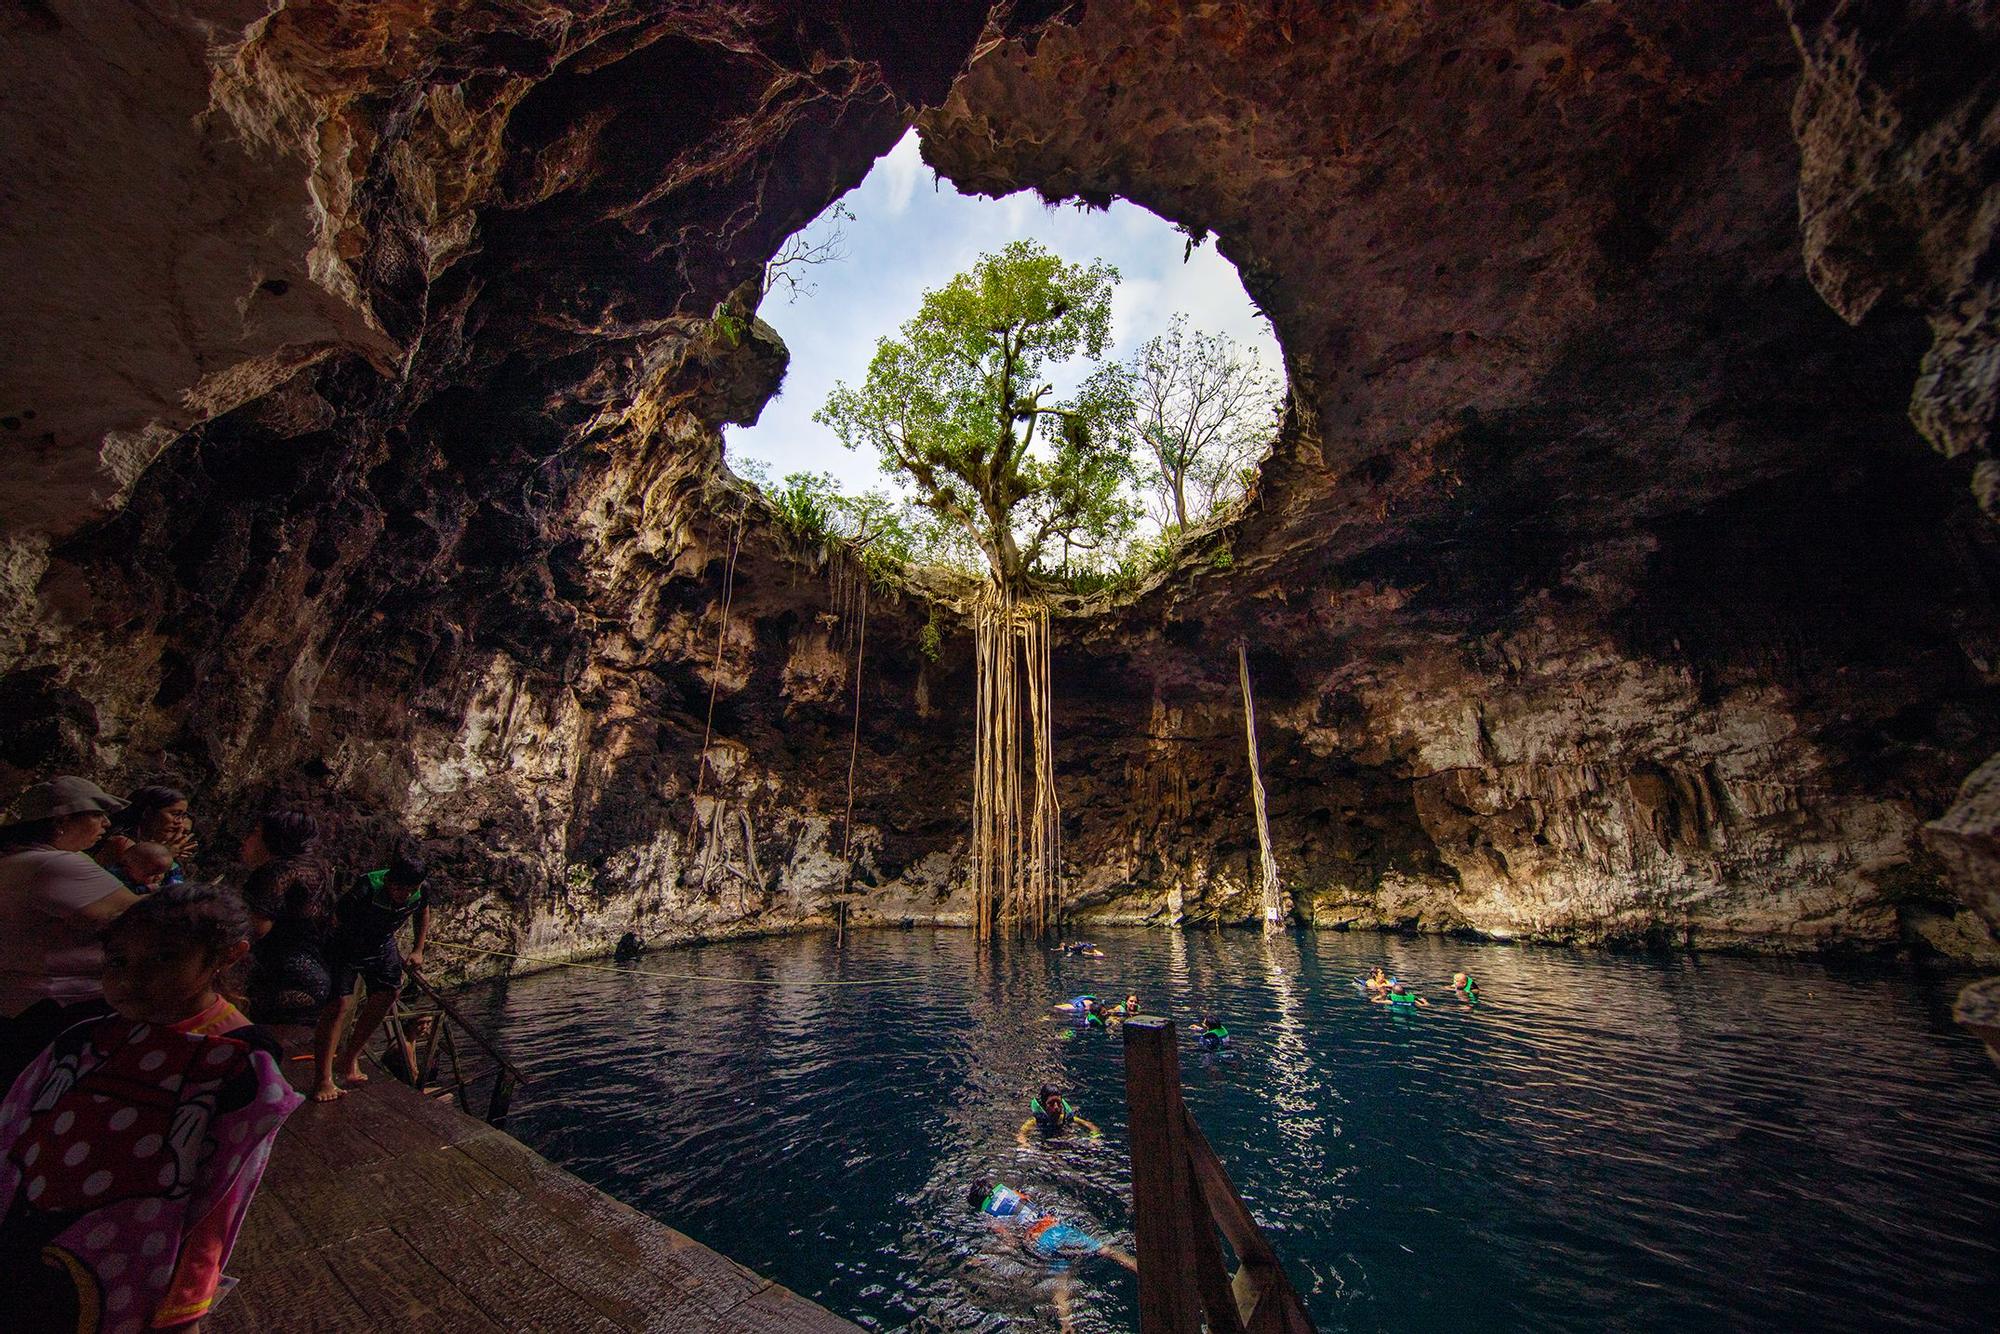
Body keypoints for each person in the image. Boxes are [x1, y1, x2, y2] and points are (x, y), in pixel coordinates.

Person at [0, 883, 301, 1334]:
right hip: (27, 1227)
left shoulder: (235, 1064)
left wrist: (188, 1301)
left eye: (164, 959)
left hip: (134, 1257)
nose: (132, 979)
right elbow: (14, 1129)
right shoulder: (81, 1040)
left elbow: (221, 1198)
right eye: (118, 961)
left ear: (228, 955)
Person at [0, 778, 139, 1089]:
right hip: (53, 1010)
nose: (106, 823)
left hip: (16, 1004)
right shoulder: (57, 864)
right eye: (97, 813)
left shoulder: (12, 859)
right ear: (62, 820)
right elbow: (146, 915)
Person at [312, 852, 432, 1103]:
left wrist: (418, 949)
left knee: (389, 993)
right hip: (346, 945)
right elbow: (334, 921)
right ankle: (323, 1079)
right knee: (340, 1005)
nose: (405, 895)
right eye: (400, 889)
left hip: (381, 943)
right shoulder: (366, 889)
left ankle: (349, 1058)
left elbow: (423, 913)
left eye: (411, 889)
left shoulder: (421, 890)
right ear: (389, 880)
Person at [967, 1179, 1136, 1334]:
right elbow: (1029, 1201)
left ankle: (1066, 1323)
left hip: (1041, 1241)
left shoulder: (990, 1216)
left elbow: (1009, 1243)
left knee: (1061, 1281)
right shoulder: (1015, 1194)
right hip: (1057, 1227)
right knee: (1107, 1251)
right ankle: (1141, 1268)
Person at [241, 811, 334, 1026]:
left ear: (271, 838)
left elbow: (256, 928)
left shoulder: (277, 871)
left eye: (255, 833)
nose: (247, 839)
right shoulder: (317, 868)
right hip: (314, 976)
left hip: (281, 978)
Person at [96, 785, 198, 889]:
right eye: (175, 814)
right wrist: (166, 855)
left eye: (182, 816)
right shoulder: (123, 844)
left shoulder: (152, 843)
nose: (180, 822)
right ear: (148, 812)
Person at [1017, 1084, 1103, 1147]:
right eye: (1051, 1103)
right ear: (1043, 1106)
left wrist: (1094, 1138)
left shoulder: (1065, 1118)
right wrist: (1025, 1145)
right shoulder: (1034, 1121)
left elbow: (1091, 1126)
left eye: (1058, 1103)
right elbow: (1021, 1134)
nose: (1056, 1107)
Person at [107, 840, 175, 894]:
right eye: (151, 874)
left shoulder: (138, 876)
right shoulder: (116, 877)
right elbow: (123, 892)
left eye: (163, 872)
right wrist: (146, 889)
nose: (158, 877)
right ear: (127, 869)